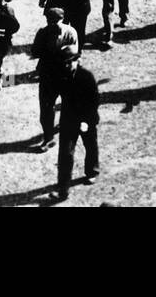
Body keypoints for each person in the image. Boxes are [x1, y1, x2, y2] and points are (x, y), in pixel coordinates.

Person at [55, 47, 100, 201]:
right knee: (65, 154)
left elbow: (94, 101)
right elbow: (52, 89)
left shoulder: (87, 76)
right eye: (64, 63)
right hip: (68, 120)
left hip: (87, 119)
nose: (67, 65)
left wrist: (86, 121)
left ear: (77, 60)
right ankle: (63, 190)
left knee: (90, 145)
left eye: (70, 62)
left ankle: (92, 171)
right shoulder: (61, 75)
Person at [30, 6, 78, 149]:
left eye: (55, 20)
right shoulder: (44, 32)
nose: (53, 23)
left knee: (67, 106)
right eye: (51, 20)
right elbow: (35, 51)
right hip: (49, 75)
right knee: (46, 108)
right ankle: (49, 138)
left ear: (62, 19)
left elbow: (75, 53)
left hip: (63, 74)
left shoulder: (70, 32)